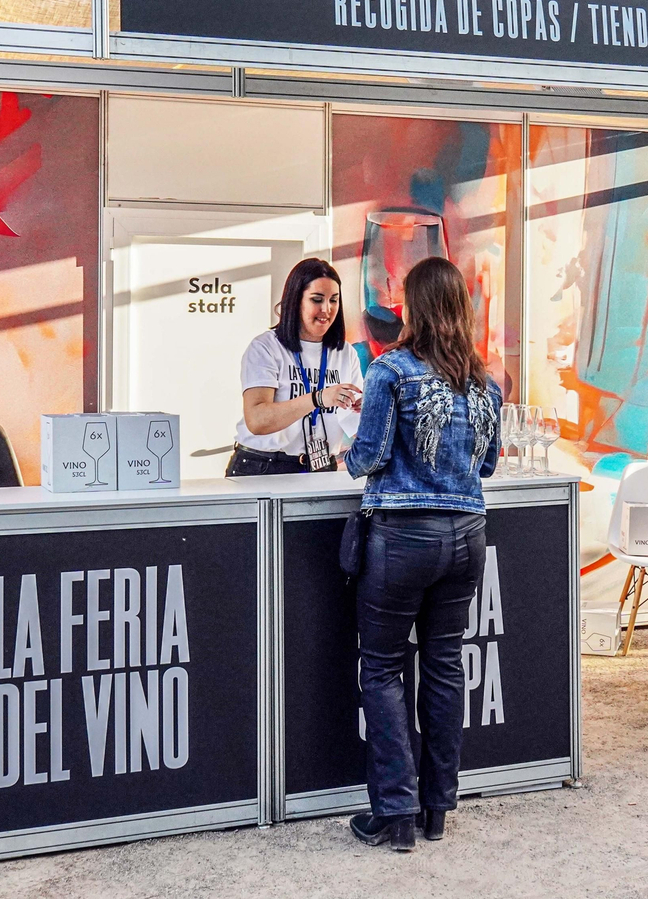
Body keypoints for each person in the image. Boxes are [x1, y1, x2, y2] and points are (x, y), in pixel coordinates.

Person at [342, 257, 503, 851]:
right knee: (443, 667)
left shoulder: (393, 370)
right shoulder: (483, 380)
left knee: (382, 667)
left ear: (414, 306)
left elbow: (370, 456)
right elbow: (486, 465)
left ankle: (395, 812)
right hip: (468, 535)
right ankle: (437, 806)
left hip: (404, 536)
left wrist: (349, 456)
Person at [226, 258, 364, 477]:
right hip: (264, 467)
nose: (326, 309)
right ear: (295, 300)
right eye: (317, 300)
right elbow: (257, 420)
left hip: (322, 468)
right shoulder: (266, 347)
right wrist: (318, 399)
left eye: (334, 300)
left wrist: (365, 409)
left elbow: (352, 421)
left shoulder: (345, 353)